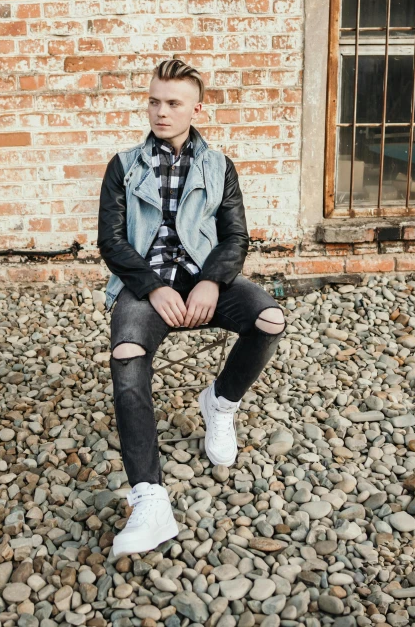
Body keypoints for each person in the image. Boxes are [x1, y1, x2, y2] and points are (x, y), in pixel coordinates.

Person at [97, 59, 287, 559]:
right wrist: (152, 287)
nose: (161, 111)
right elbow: (111, 242)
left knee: (270, 318)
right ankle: (150, 499)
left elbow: (235, 237)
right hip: (144, 284)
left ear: (197, 109)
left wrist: (209, 282)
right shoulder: (123, 165)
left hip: (206, 277)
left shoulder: (219, 165)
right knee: (126, 354)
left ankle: (220, 404)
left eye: (173, 103)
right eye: (154, 101)